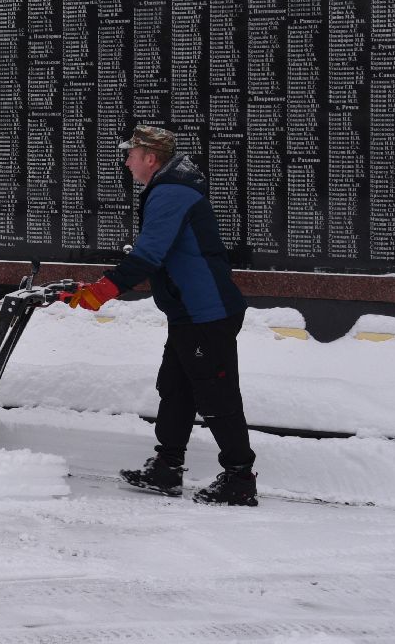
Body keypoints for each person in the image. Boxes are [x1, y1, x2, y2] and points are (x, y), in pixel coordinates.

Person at [68, 124, 258, 506]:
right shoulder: (167, 190)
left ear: (150, 159)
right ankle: (166, 467)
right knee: (176, 388)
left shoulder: (170, 194)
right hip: (188, 312)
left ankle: (239, 477)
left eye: (131, 155)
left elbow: (148, 255)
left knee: (215, 394)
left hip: (206, 313)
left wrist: (101, 292)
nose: (126, 162)